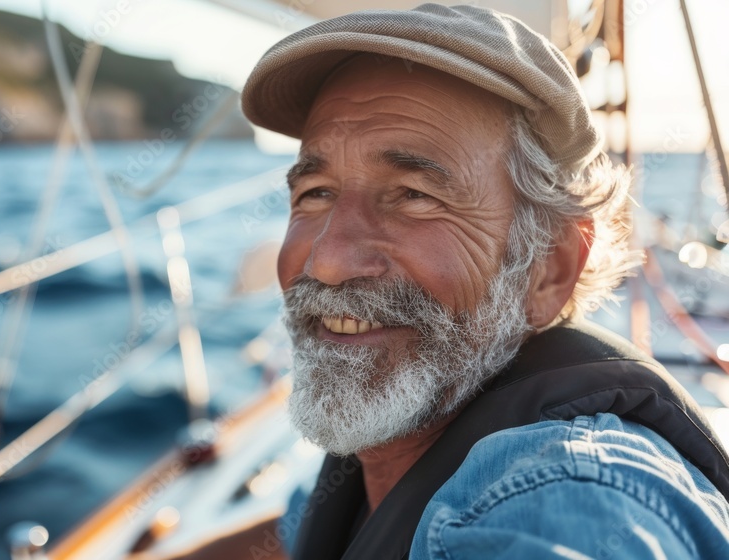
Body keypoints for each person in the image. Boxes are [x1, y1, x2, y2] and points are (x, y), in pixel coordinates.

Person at [148, 4, 729, 559]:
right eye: (315, 192)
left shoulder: (575, 489)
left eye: (414, 196)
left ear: (548, 269)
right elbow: (299, 534)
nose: (327, 261)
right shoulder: (390, 446)